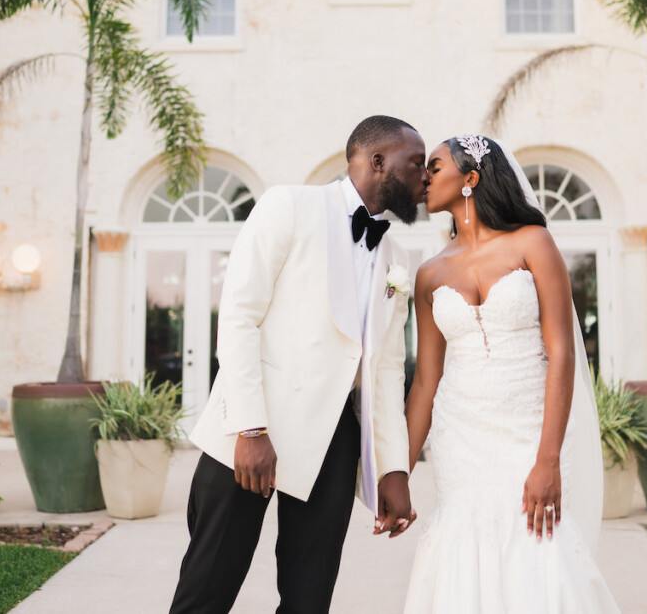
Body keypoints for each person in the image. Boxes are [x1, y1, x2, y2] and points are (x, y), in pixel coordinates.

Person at [170, 115, 429, 614]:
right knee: (207, 589)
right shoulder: (289, 204)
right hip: (250, 433)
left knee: (310, 598)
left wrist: (394, 469)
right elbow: (240, 317)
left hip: (333, 446)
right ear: (377, 161)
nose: (424, 178)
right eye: (415, 163)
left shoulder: (396, 256)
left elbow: (386, 372)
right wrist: (250, 429)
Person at [403, 135, 621, 613]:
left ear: (470, 179)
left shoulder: (532, 243)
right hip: (461, 435)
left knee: (540, 545)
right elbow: (425, 381)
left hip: (527, 427)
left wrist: (548, 459)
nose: (423, 178)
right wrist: (398, 471)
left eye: (435, 168)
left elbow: (562, 353)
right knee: (464, 540)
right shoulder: (429, 273)